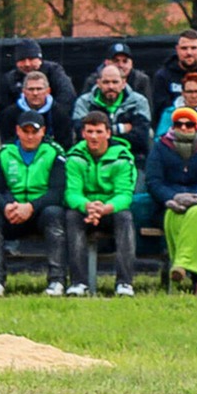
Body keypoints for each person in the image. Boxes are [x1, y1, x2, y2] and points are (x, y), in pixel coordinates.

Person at [0, 110, 68, 297]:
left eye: (34, 132)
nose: (29, 136)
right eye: (25, 131)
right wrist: (6, 206)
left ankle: (56, 280)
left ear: (43, 131)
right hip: (11, 211)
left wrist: (32, 207)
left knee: (55, 214)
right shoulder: (4, 153)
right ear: (17, 131)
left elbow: (57, 191)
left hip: (40, 211)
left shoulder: (55, 153)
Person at [63, 111, 138, 297]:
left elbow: (124, 195)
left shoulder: (123, 158)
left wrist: (104, 209)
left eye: (98, 131)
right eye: (89, 131)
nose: (94, 136)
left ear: (108, 133)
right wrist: (88, 206)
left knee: (125, 217)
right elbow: (71, 193)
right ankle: (78, 283)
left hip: (111, 209)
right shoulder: (74, 157)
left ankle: (124, 283)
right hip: (86, 209)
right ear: (83, 133)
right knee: (71, 216)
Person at [147, 106, 197, 293]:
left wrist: (194, 197)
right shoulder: (161, 147)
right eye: (179, 124)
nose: (184, 128)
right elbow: (153, 182)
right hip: (169, 204)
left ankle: (181, 264)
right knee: (178, 216)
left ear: (196, 126)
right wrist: (173, 197)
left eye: (189, 124)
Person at [72, 64, 152, 165]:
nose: (111, 86)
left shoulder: (139, 102)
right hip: (92, 160)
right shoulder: (84, 102)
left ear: (123, 83)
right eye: (106, 82)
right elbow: (81, 135)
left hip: (133, 159)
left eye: (115, 82)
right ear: (98, 83)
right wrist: (120, 129)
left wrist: (101, 135)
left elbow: (141, 139)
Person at [0, 68, 72, 149]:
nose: (35, 93)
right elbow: (7, 143)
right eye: (31, 89)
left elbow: (65, 145)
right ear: (24, 92)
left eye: (39, 89)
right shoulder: (9, 114)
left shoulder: (60, 114)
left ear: (48, 91)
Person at [0, 39, 76, 110]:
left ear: (40, 59)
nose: (27, 64)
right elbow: (4, 106)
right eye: (22, 60)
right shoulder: (10, 79)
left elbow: (67, 96)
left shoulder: (54, 71)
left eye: (31, 59)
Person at [149, 29, 197, 124]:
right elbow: (160, 111)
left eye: (193, 48)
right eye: (184, 48)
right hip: (174, 126)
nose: (189, 52)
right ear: (177, 49)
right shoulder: (162, 76)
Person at [84, 41, 153, 105]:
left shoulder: (141, 80)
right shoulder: (93, 81)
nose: (121, 65)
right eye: (116, 61)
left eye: (125, 61)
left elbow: (147, 110)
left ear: (131, 63)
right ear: (106, 62)